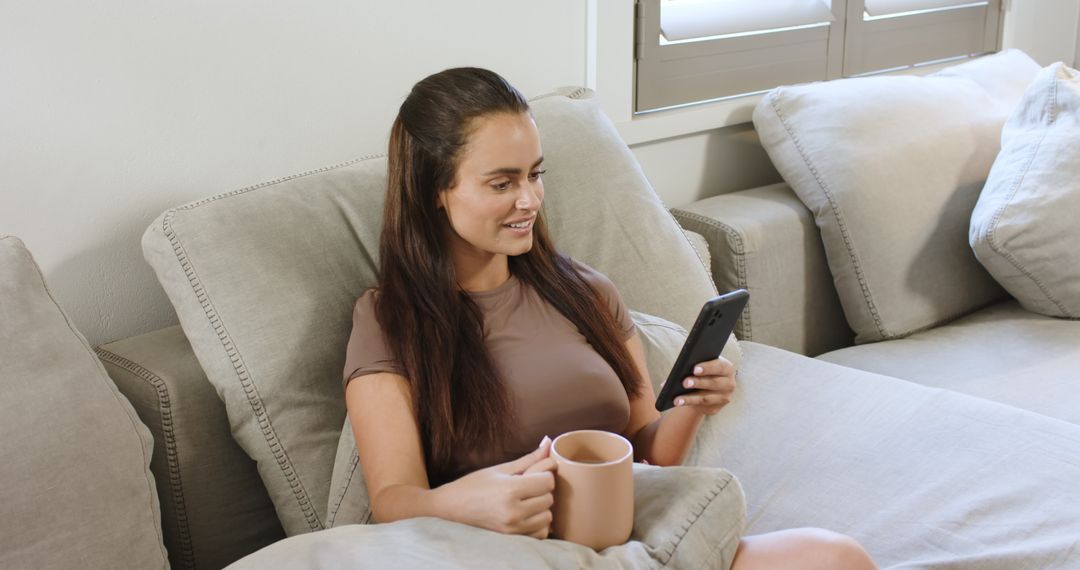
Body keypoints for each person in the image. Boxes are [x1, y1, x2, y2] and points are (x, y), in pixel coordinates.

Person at [343, 67, 877, 569]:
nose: (529, 200)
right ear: (435, 190)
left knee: (835, 556)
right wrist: (467, 502)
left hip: (636, 543)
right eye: (502, 184)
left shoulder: (584, 292)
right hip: (513, 553)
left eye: (535, 175)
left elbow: (649, 453)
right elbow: (394, 499)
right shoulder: (391, 319)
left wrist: (692, 404)